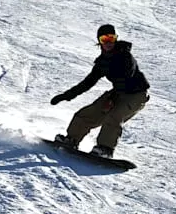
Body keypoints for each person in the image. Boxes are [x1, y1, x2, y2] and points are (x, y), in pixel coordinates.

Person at [50, 24, 150, 157]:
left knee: (114, 116)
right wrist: (66, 95)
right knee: (87, 113)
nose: (108, 43)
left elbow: (128, 74)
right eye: (104, 39)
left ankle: (105, 149)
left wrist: (113, 98)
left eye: (111, 38)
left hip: (137, 94)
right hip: (118, 92)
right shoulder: (102, 62)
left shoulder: (125, 56)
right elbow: (88, 83)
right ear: (99, 41)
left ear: (115, 39)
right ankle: (72, 139)